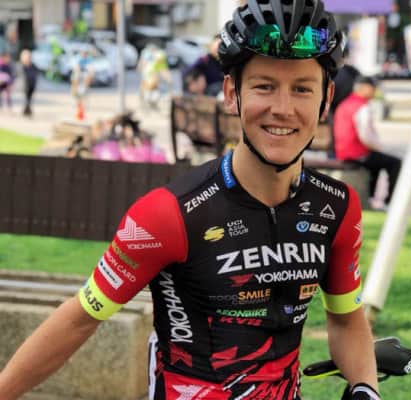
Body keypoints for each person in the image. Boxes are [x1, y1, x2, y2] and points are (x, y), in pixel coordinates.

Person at [0, 2, 380, 400]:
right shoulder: (169, 214)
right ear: (231, 93)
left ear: (326, 98)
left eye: (302, 89)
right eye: (264, 86)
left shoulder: (337, 206)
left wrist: (365, 388)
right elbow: (79, 318)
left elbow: (346, 320)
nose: (283, 109)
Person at [333, 75, 402, 207]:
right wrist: (379, 147)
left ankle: (371, 197)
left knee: (377, 160)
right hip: (357, 153)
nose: (375, 91)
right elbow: (366, 136)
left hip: (343, 152)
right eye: (373, 88)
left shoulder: (346, 103)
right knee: (395, 163)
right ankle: (389, 202)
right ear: (365, 88)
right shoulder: (362, 107)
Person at [19, 49, 38, 117]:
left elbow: (36, 73)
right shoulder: (22, 66)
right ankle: (27, 110)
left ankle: (27, 110)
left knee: (29, 98)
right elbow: (22, 76)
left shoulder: (33, 66)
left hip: (32, 84)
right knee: (27, 98)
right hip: (25, 85)